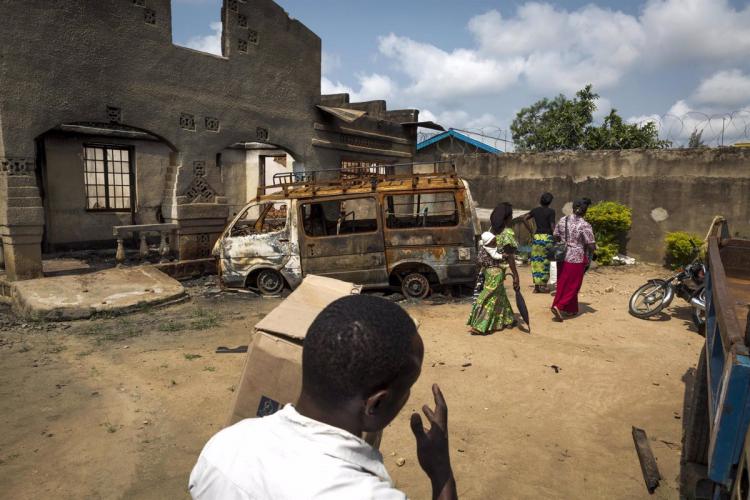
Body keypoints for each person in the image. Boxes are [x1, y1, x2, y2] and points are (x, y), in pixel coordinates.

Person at [189, 294, 457, 500]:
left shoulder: (225, 445)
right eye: (408, 386)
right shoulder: (365, 494)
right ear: (376, 404)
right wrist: (440, 471)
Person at [467, 203, 521, 335]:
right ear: (506, 218)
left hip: (487, 270)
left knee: (500, 295)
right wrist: (516, 275)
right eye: (511, 215)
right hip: (496, 271)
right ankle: (480, 325)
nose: (512, 217)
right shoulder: (507, 233)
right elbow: (510, 256)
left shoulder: (491, 230)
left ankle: (508, 319)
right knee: (487, 296)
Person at [551, 199, 596, 321]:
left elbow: (555, 236)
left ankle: (571, 309)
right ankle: (559, 306)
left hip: (562, 255)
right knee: (574, 285)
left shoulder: (563, 220)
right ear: (585, 211)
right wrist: (593, 252)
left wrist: (564, 242)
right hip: (576, 257)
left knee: (563, 282)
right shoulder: (584, 225)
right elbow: (591, 245)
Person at [523, 193, 556, 293]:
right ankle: (544, 286)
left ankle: (537, 287)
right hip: (547, 238)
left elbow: (524, 218)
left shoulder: (535, 210)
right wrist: (556, 237)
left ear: (540, 200)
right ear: (550, 202)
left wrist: (531, 231)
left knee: (536, 262)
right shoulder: (551, 211)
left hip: (537, 238)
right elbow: (552, 226)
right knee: (546, 262)